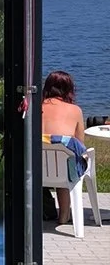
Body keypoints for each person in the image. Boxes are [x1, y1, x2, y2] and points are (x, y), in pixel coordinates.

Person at [41, 71, 87, 226]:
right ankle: (64, 215)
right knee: (66, 161)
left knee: (56, 160)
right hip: (64, 171)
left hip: (35, 168)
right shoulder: (75, 110)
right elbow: (80, 144)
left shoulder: (35, 107)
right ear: (69, 89)